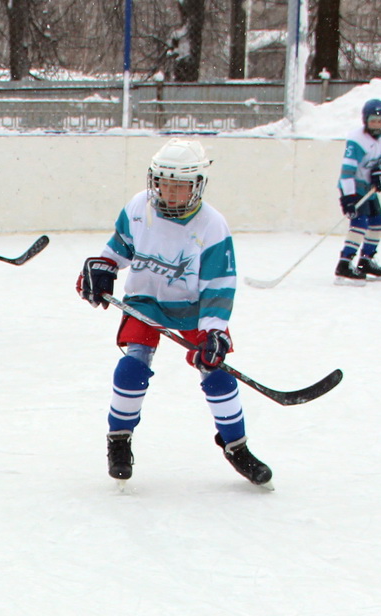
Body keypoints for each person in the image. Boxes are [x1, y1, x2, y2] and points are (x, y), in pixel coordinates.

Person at [76, 138, 271, 487]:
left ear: (197, 185)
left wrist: (214, 331)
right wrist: (101, 268)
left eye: (180, 185)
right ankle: (119, 440)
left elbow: (218, 285)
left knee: (217, 372)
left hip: (195, 308)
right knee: (132, 367)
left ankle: (235, 445)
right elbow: (117, 249)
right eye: (164, 183)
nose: (170, 192)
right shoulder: (139, 207)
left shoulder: (212, 226)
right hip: (146, 300)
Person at [334, 98, 381, 284]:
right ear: (365, 121)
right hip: (353, 188)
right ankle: (344, 263)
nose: (376, 125)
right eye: (372, 121)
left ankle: (365, 261)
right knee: (360, 222)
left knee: (377, 222)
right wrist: (349, 198)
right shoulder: (356, 140)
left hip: (369, 189)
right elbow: (347, 172)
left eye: (380, 121)